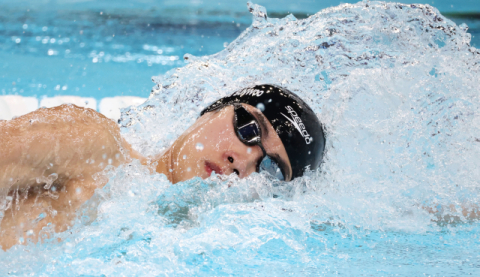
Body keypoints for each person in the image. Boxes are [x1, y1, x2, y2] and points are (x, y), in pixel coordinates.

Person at [0, 84, 325, 249]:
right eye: (249, 129)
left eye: (269, 169)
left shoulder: (187, 246)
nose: (240, 162)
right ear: (214, 110)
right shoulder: (98, 148)